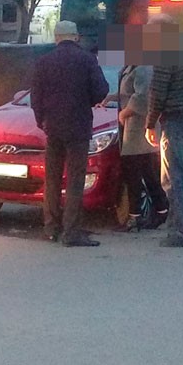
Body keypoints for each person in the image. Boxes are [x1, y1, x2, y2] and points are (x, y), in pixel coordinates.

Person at [29, 19, 109, 247]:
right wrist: (87, 100)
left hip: (53, 127)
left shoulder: (43, 61)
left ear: (56, 38)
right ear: (76, 37)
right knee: (75, 179)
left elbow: (35, 97)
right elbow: (101, 90)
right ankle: (71, 231)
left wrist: (42, 121)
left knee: (52, 178)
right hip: (78, 126)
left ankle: (51, 227)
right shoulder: (87, 59)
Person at [144, 15, 183, 248]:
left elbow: (157, 93)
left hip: (175, 120)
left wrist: (150, 124)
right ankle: (177, 226)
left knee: (171, 178)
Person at [113, 48, 169, 232]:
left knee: (135, 172)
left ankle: (136, 216)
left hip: (139, 126)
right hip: (133, 126)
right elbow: (128, 92)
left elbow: (142, 96)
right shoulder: (132, 66)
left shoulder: (144, 66)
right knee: (144, 171)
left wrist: (124, 112)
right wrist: (110, 98)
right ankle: (160, 210)